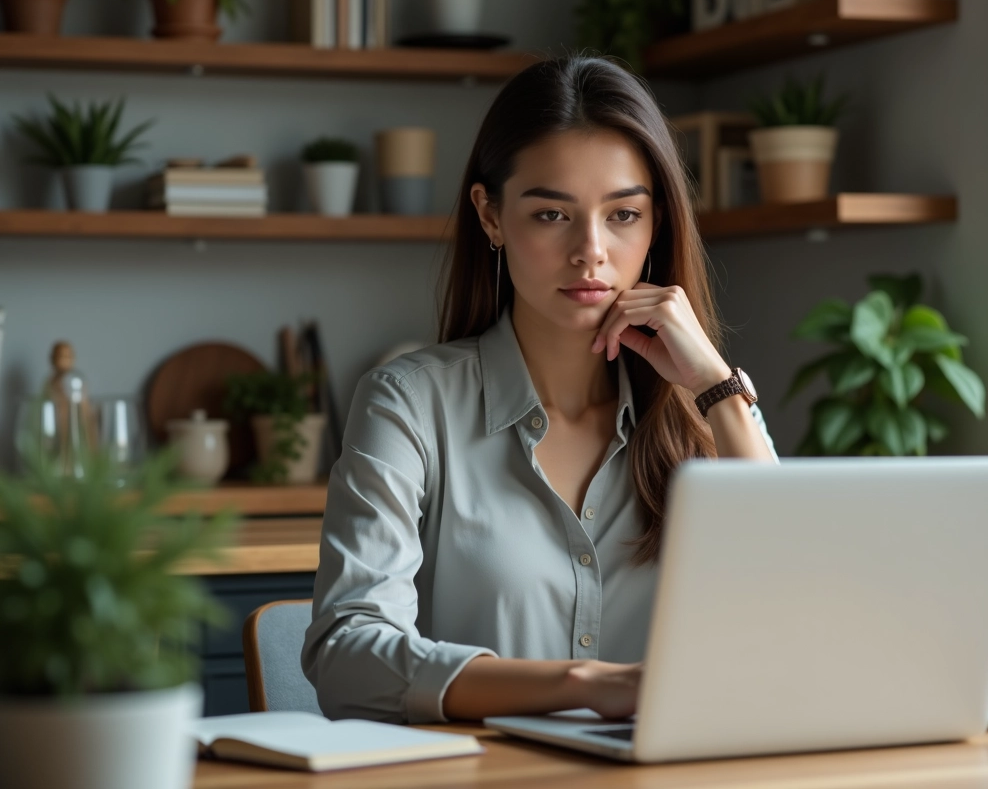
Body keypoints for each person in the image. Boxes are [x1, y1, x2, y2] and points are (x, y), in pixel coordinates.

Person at [302, 54, 778, 726]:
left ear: (657, 224)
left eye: (623, 215)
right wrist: (585, 683)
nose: (591, 251)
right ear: (490, 216)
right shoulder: (408, 404)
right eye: (553, 215)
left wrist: (714, 385)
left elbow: (795, 609)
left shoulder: (701, 413)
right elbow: (346, 656)